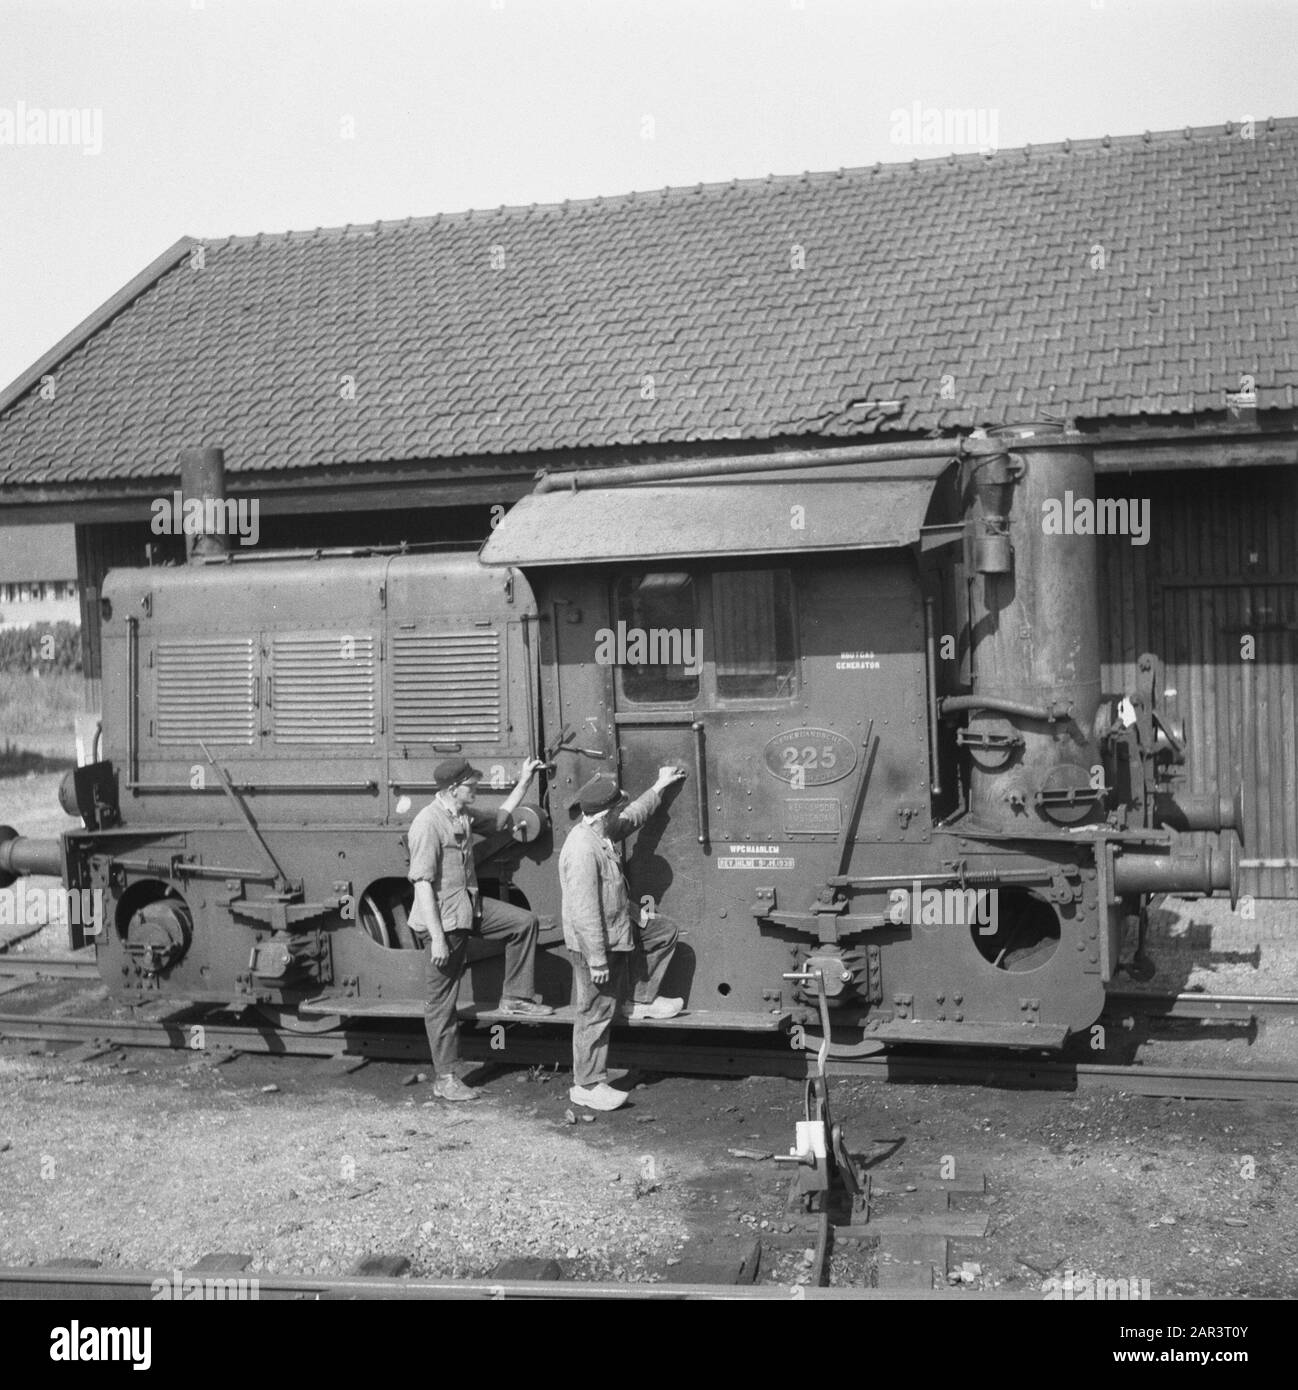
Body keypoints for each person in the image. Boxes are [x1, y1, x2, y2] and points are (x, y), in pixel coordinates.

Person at [408, 755, 553, 1101]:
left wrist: (524, 781)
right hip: (443, 921)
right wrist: (439, 940)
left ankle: (516, 998)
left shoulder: (463, 813)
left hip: (469, 909)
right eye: (472, 784)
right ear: (453, 788)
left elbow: (502, 819)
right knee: (442, 1002)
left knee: (523, 923)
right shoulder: (427, 824)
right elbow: (422, 884)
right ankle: (445, 1079)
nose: (477, 787)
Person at [559, 766, 687, 1111]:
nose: (621, 813)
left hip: (617, 924)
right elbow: (585, 911)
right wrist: (598, 959)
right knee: (594, 1011)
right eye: (617, 808)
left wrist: (659, 785)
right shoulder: (583, 850)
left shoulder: (602, 830)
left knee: (662, 931)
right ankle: (586, 1084)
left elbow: (632, 817)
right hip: (593, 943)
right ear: (605, 814)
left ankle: (637, 1000)